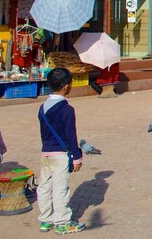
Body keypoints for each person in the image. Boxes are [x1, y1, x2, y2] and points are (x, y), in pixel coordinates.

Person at [37, 68, 85, 235]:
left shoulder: (42, 107)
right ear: (66, 86)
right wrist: (77, 157)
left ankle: (45, 219)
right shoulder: (66, 109)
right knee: (60, 188)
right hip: (60, 154)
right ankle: (63, 222)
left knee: (44, 186)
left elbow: (44, 133)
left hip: (46, 152)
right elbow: (71, 135)